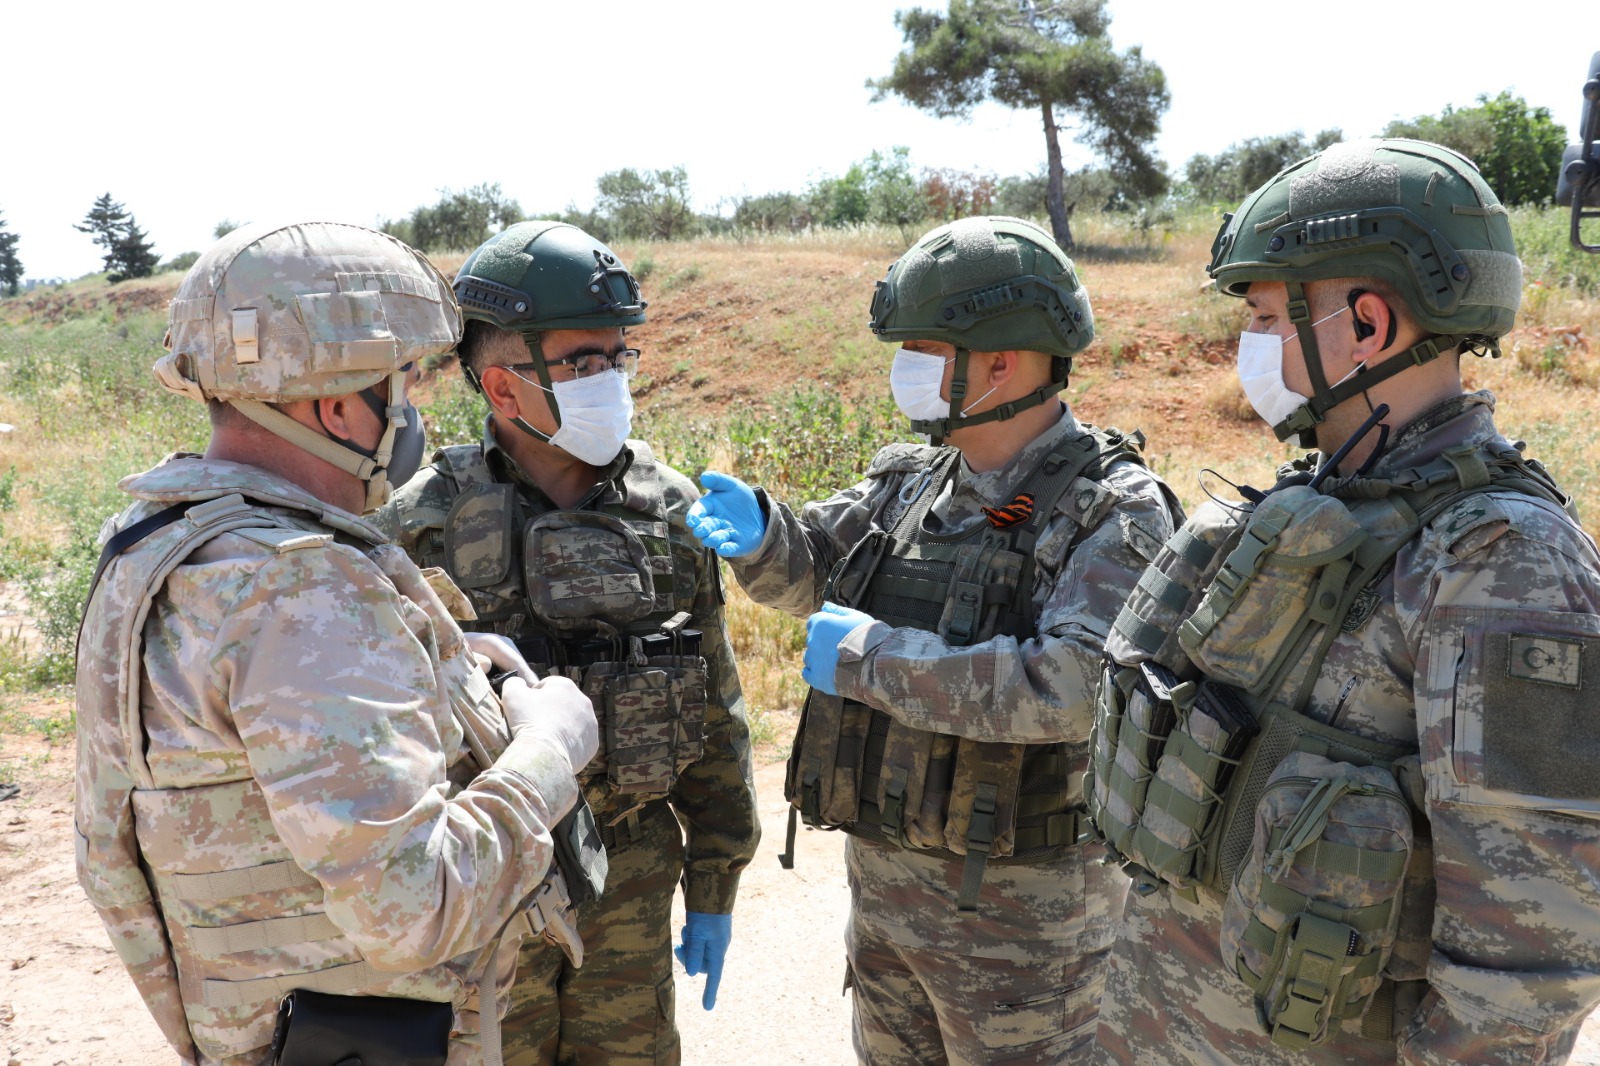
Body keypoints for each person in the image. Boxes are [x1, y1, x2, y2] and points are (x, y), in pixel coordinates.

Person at [1088, 138, 1600, 1064]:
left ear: (1366, 325)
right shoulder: (1320, 503)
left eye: (1267, 317)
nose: (1248, 347)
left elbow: (1529, 954)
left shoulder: (1502, 562)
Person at [74, 221, 599, 1066]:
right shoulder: (300, 586)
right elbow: (413, 905)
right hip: (384, 1038)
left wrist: (440, 679)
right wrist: (549, 750)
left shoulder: (157, 544)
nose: (415, 410)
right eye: (405, 383)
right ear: (337, 406)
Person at [685, 215, 1182, 1065]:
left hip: (1028, 935)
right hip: (887, 905)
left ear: (1001, 361)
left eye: (924, 346)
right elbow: (815, 573)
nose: (903, 368)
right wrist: (764, 540)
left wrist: (873, 662)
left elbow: (1073, 688)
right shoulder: (914, 480)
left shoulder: (1112, 509)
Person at [375, 220, 759, 1066]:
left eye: (618, 357)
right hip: (485, 884)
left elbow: (715, 705)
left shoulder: (668, 508)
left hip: (629, 875)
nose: (611, 380)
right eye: (584, 363)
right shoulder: (416, 523)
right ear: (504, 390)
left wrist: (716, 881)